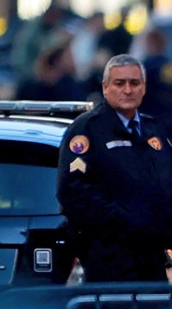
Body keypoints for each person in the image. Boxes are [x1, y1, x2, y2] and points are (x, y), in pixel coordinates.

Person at [56, 54, 172, 282]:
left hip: (151, 257)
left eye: (134, 83)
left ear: (144, 88)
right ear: (106, 87)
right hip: (109, 258)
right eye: (120, 83)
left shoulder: (153, 129)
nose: (128, 90)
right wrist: (123, 222)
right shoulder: (88, 129)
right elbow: (73, 191)